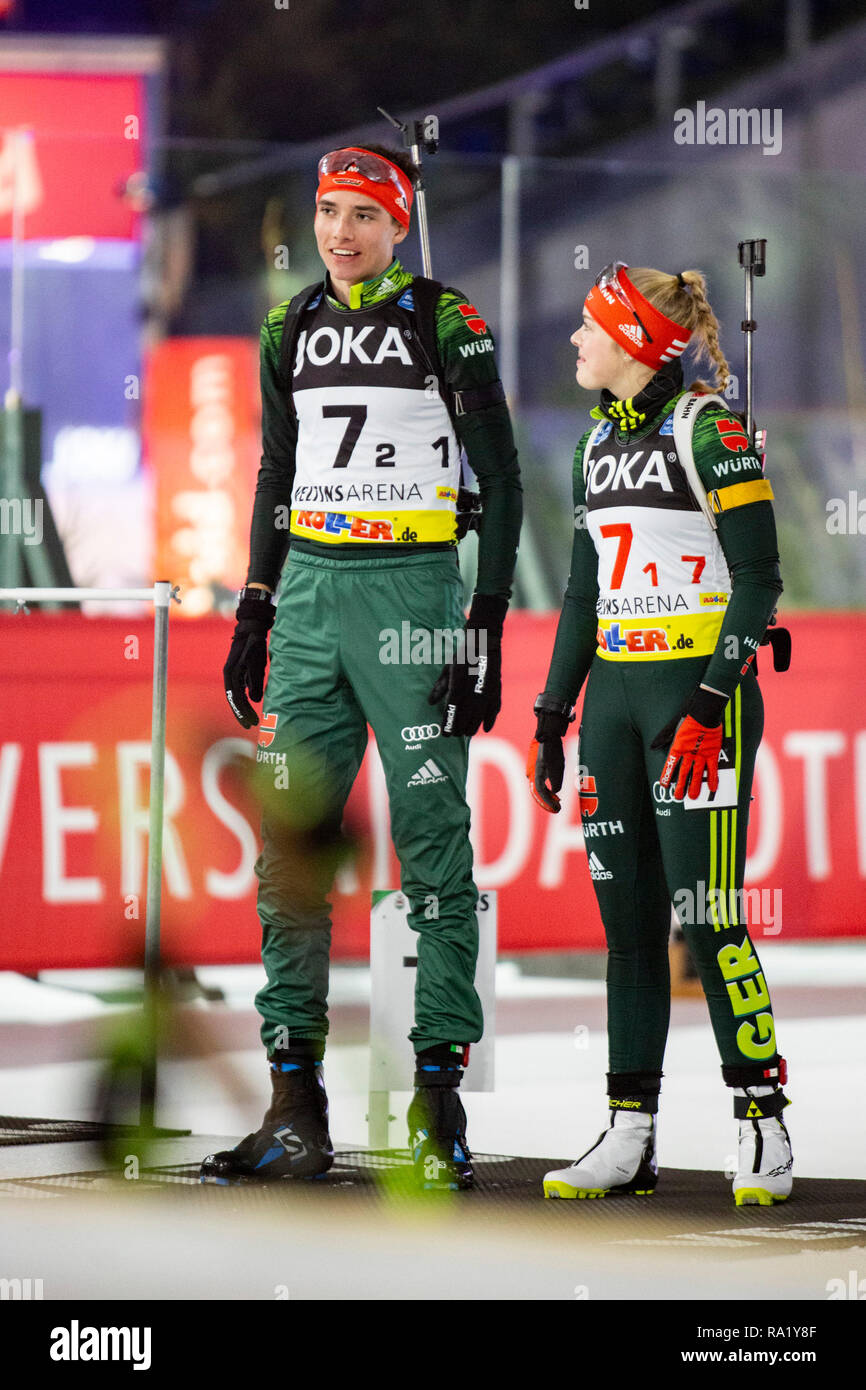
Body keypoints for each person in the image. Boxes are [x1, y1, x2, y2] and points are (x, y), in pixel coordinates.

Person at [201, 144, 522, 1189]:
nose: (340, 233)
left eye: (364, 216)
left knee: (433, 852)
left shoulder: (445, 319)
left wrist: (482, 620)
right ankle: (294, 1109)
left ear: (400, 222)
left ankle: (437, 1103)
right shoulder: (287, 325)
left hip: (413, 598)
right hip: (306, 605)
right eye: (328, 211)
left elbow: (504, 477)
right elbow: (275, 471)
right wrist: (254, 603)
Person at [527, 262, 792, 1206]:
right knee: (628, 931)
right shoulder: (594, 443)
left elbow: (760, 583)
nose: (575, 342)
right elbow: (582, 594)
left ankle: (764, 1121)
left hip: (696, 708)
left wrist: (712, 704)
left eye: (590, 329)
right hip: (614, 709)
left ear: (636, 342)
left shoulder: (708, 425)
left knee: (711, 916)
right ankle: (628, 1132)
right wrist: (552, 719)